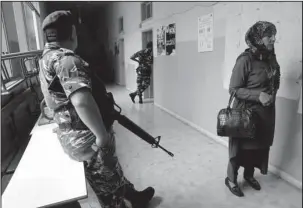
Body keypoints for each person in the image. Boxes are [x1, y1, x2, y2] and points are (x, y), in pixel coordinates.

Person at [39, 11, 155, 208]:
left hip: (70, 133)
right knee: (108, 184)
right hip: (86, 136)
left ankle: (134, 196)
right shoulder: (68, 61)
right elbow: (81, 102)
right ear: (73, 32)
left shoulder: (45, 59)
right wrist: (101, 135)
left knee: (110, 170)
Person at [225, 21, 281, 197]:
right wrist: (258, 95)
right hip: (245, 113)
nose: (273, 38)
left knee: (257, 148)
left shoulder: (271, 57)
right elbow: (234, 89)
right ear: (257, 38)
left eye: (274, 34)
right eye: (268, 35)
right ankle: (231, 179)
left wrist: (272, 93)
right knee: (239, 149)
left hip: (264, 113)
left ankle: (249, 175)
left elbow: (275, 79)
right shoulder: (245, 60)